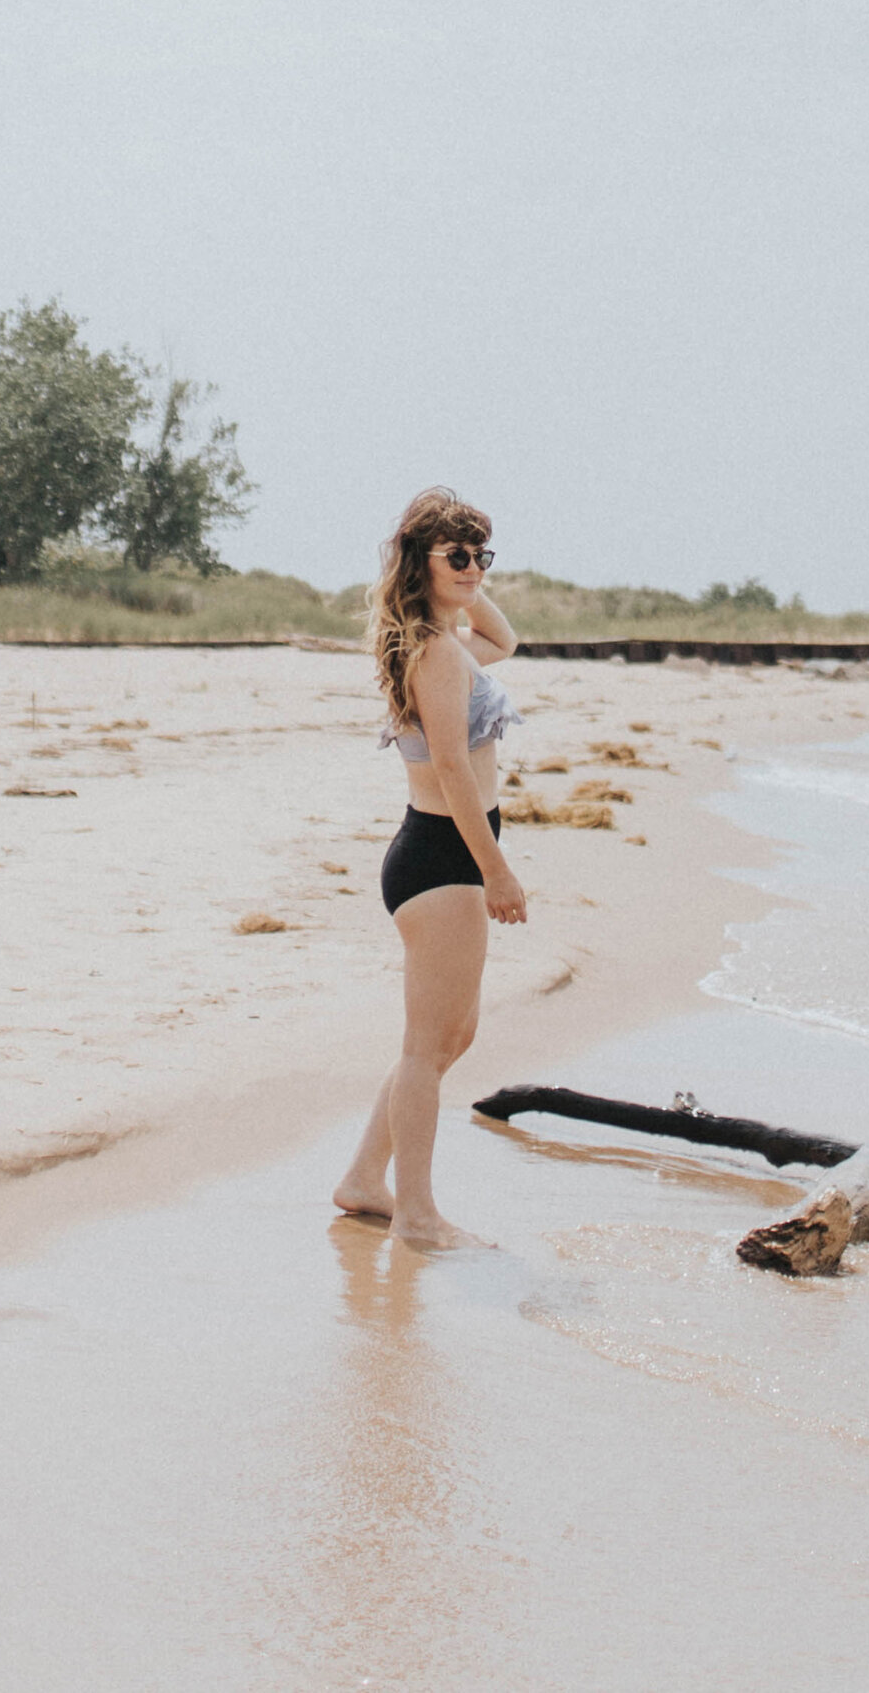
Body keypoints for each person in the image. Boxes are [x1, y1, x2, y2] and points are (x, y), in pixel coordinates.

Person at [333, 487, 528, 1248]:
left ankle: (362, 1180)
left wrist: (465, 579)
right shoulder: (439, 654)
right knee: (427, 1046)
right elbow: (451, 770)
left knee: (451, 1037)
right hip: (443, 855)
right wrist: (498, 871)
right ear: (420, 561)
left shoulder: (443, 642)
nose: (474, 566)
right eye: (458, 554)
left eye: (482, 554)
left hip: (448, 857)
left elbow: (504, 640)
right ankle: (414, 1212)